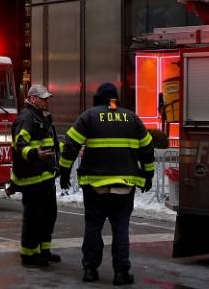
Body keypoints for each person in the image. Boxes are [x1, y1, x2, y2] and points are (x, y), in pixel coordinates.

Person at [58, 82, 154, 285]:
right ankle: (121, 273)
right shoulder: (131, 118)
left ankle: (90, 269)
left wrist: (64, 171)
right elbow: (147, 148)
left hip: (95, 185)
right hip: (124, 185)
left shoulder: (89, 116)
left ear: (98, 98)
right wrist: (149, 174)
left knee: (93, 226)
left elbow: (70, 145)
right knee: (121, 228)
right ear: (115, 98)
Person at [9, 84, 61, 268]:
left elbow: (50, 143)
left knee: (48, 216)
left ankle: (43, 251)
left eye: (47, 98)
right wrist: (35, 154)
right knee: (34, 218)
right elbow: (20, 144)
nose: (47, 101)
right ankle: (29, 256)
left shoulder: (41, 116)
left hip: (45, 176)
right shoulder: (26, 117)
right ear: (33, 99)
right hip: (32, 178)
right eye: (43, 98)